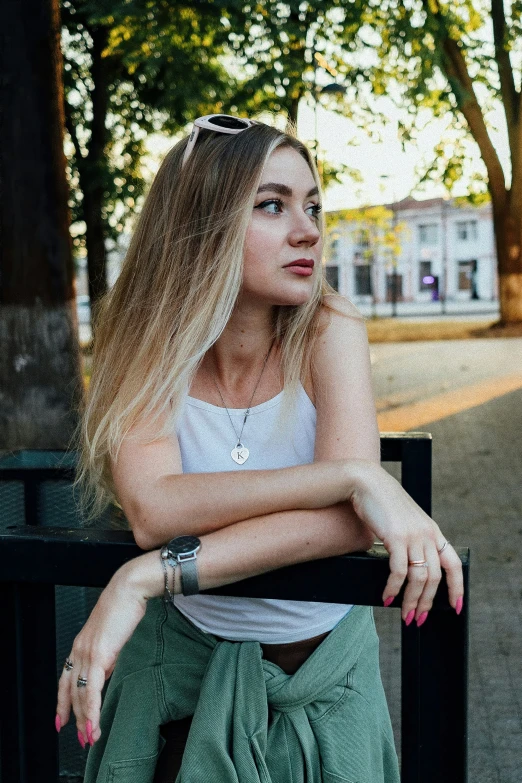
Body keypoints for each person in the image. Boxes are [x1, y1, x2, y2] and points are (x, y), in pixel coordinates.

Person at [56, 115, 464, 783]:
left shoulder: (329, 328)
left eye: (312, 206)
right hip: (182, 667)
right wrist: (352, 476)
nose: (307, 229)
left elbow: (342, 525)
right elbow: (156, 510)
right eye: (272, 205)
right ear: (201, 224)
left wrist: (145, 575)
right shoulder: (152, 344)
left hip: (326, 677)